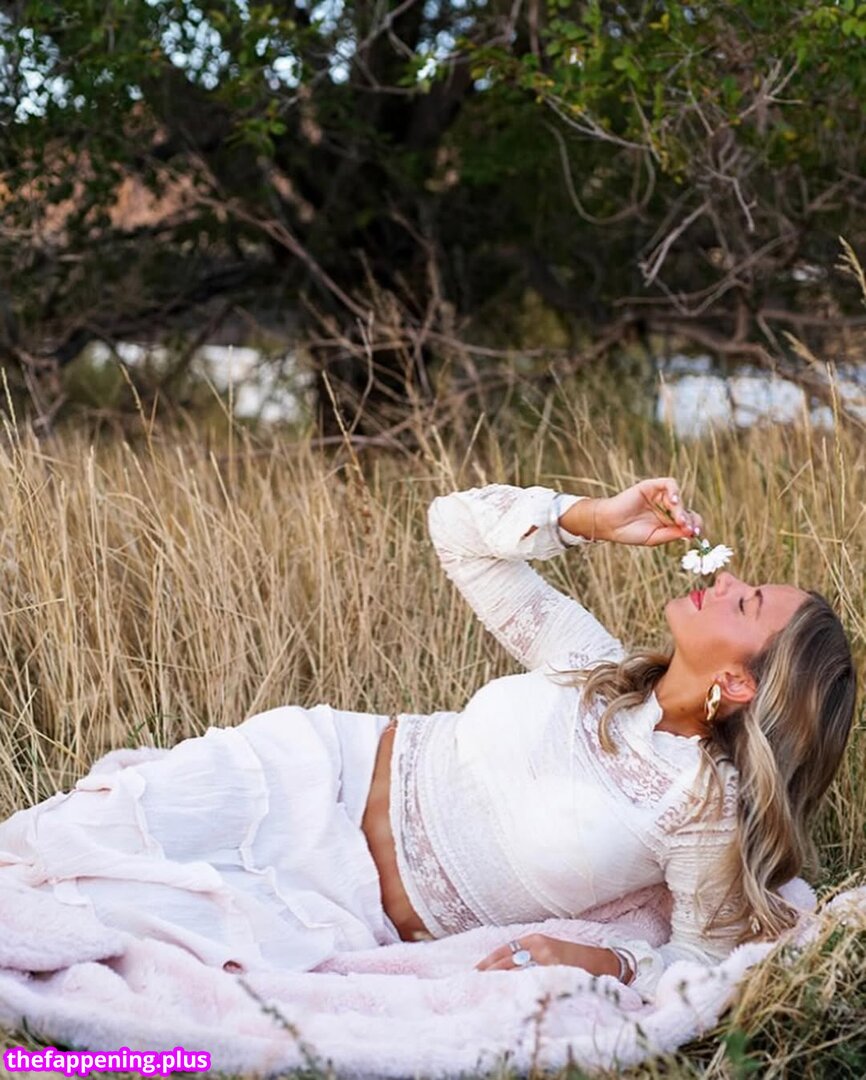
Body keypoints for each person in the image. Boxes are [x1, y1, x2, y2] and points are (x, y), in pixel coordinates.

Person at [0, 477, 856, 1000]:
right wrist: (592, 518)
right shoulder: (590, 666)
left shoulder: (699, 810)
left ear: (741, 685)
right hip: (302, 769)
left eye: (748, 602)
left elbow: (699, 965)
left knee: (98, 933)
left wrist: (602, 962)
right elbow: (455, 528)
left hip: (338, 905)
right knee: (55, 845)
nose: (727, 579)